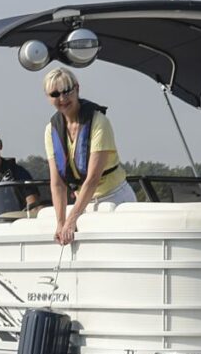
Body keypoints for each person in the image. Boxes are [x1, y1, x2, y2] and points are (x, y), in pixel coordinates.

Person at [43, 66, 134, 246]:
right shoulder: (50, 130)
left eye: (66, 91)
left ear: (77, 89)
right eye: (54, 94)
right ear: (48, 98)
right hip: (83, 204)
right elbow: (57, 183)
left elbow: (92, 178)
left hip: (114, 198)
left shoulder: (99, 122)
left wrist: (71, 220)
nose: (62, 98)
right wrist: (61, 222)